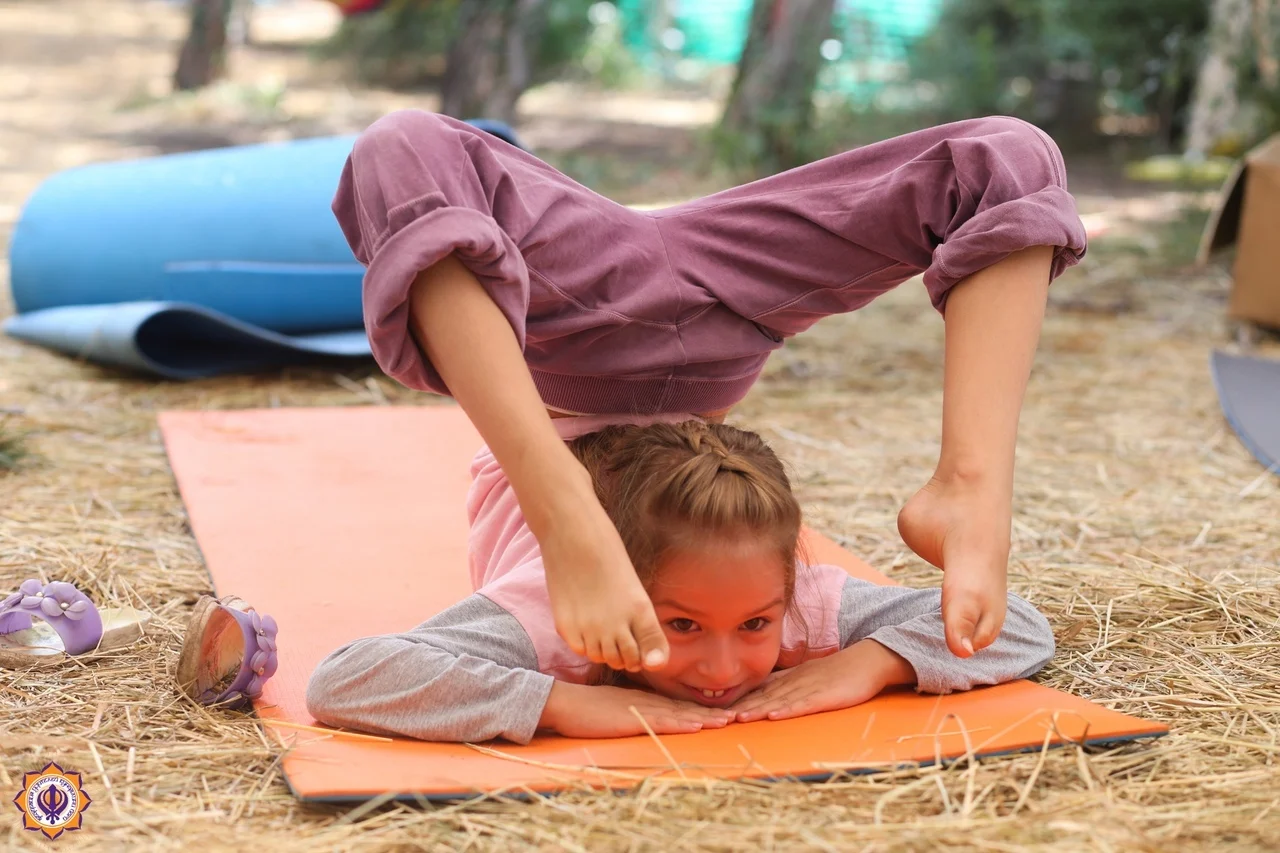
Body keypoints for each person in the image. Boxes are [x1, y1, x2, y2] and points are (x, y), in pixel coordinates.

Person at [330, 109, 1087, 679]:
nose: (726, 672)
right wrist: (862, 667)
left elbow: (358, 678)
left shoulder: (557, 618)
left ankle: (562, 508)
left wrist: (576, 701)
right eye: (688, 625)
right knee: (1009, 157)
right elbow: (1012, 631)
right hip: (729, 324)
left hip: (570, 324)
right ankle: (971, 485)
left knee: (400, 147)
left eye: (687, 626)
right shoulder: (776, 610)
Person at [306, 419, 1056, 743]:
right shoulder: (553, 607)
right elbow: (345, 680)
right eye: (683, 625)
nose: (725, 671)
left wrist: (872, 661)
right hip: (536, 447)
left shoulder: (801, 602)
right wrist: (565, 702)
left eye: (756, 626)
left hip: (668, 435)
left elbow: (1019, 624)